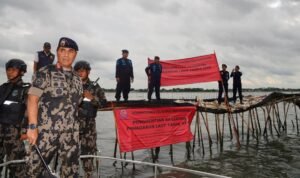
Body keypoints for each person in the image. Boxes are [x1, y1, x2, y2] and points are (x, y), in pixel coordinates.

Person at [26, 37, 83, 177]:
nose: (66, 54)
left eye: (70, 51)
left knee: (71, 172)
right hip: (46, 133)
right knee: (35, 171)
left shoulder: (77, 78)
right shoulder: (45, 72)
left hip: (71, 135)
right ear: (57, 52)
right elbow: (32, 98)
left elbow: (78, 103)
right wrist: (32, 127)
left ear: (75, 54)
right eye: (62, 50)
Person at [74, 60, 106, 178]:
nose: (80, 73)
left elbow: (103, 103)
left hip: (89, 127)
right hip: (72, 127)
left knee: (88, 155)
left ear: (88, 72)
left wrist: (92, 98)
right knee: (70, 155)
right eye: (77, 71)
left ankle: (88, 175)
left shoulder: (95, 87)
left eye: (82, 71)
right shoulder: (71, 86)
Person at [0, 59, 30, 178]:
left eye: (14, 69)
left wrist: (24, 130)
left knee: (17, 167)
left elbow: (29, 110)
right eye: (8, 69)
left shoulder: (26, 89)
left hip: (15, 133)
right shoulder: (2, 88)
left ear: (22, 72)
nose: (10, 72)